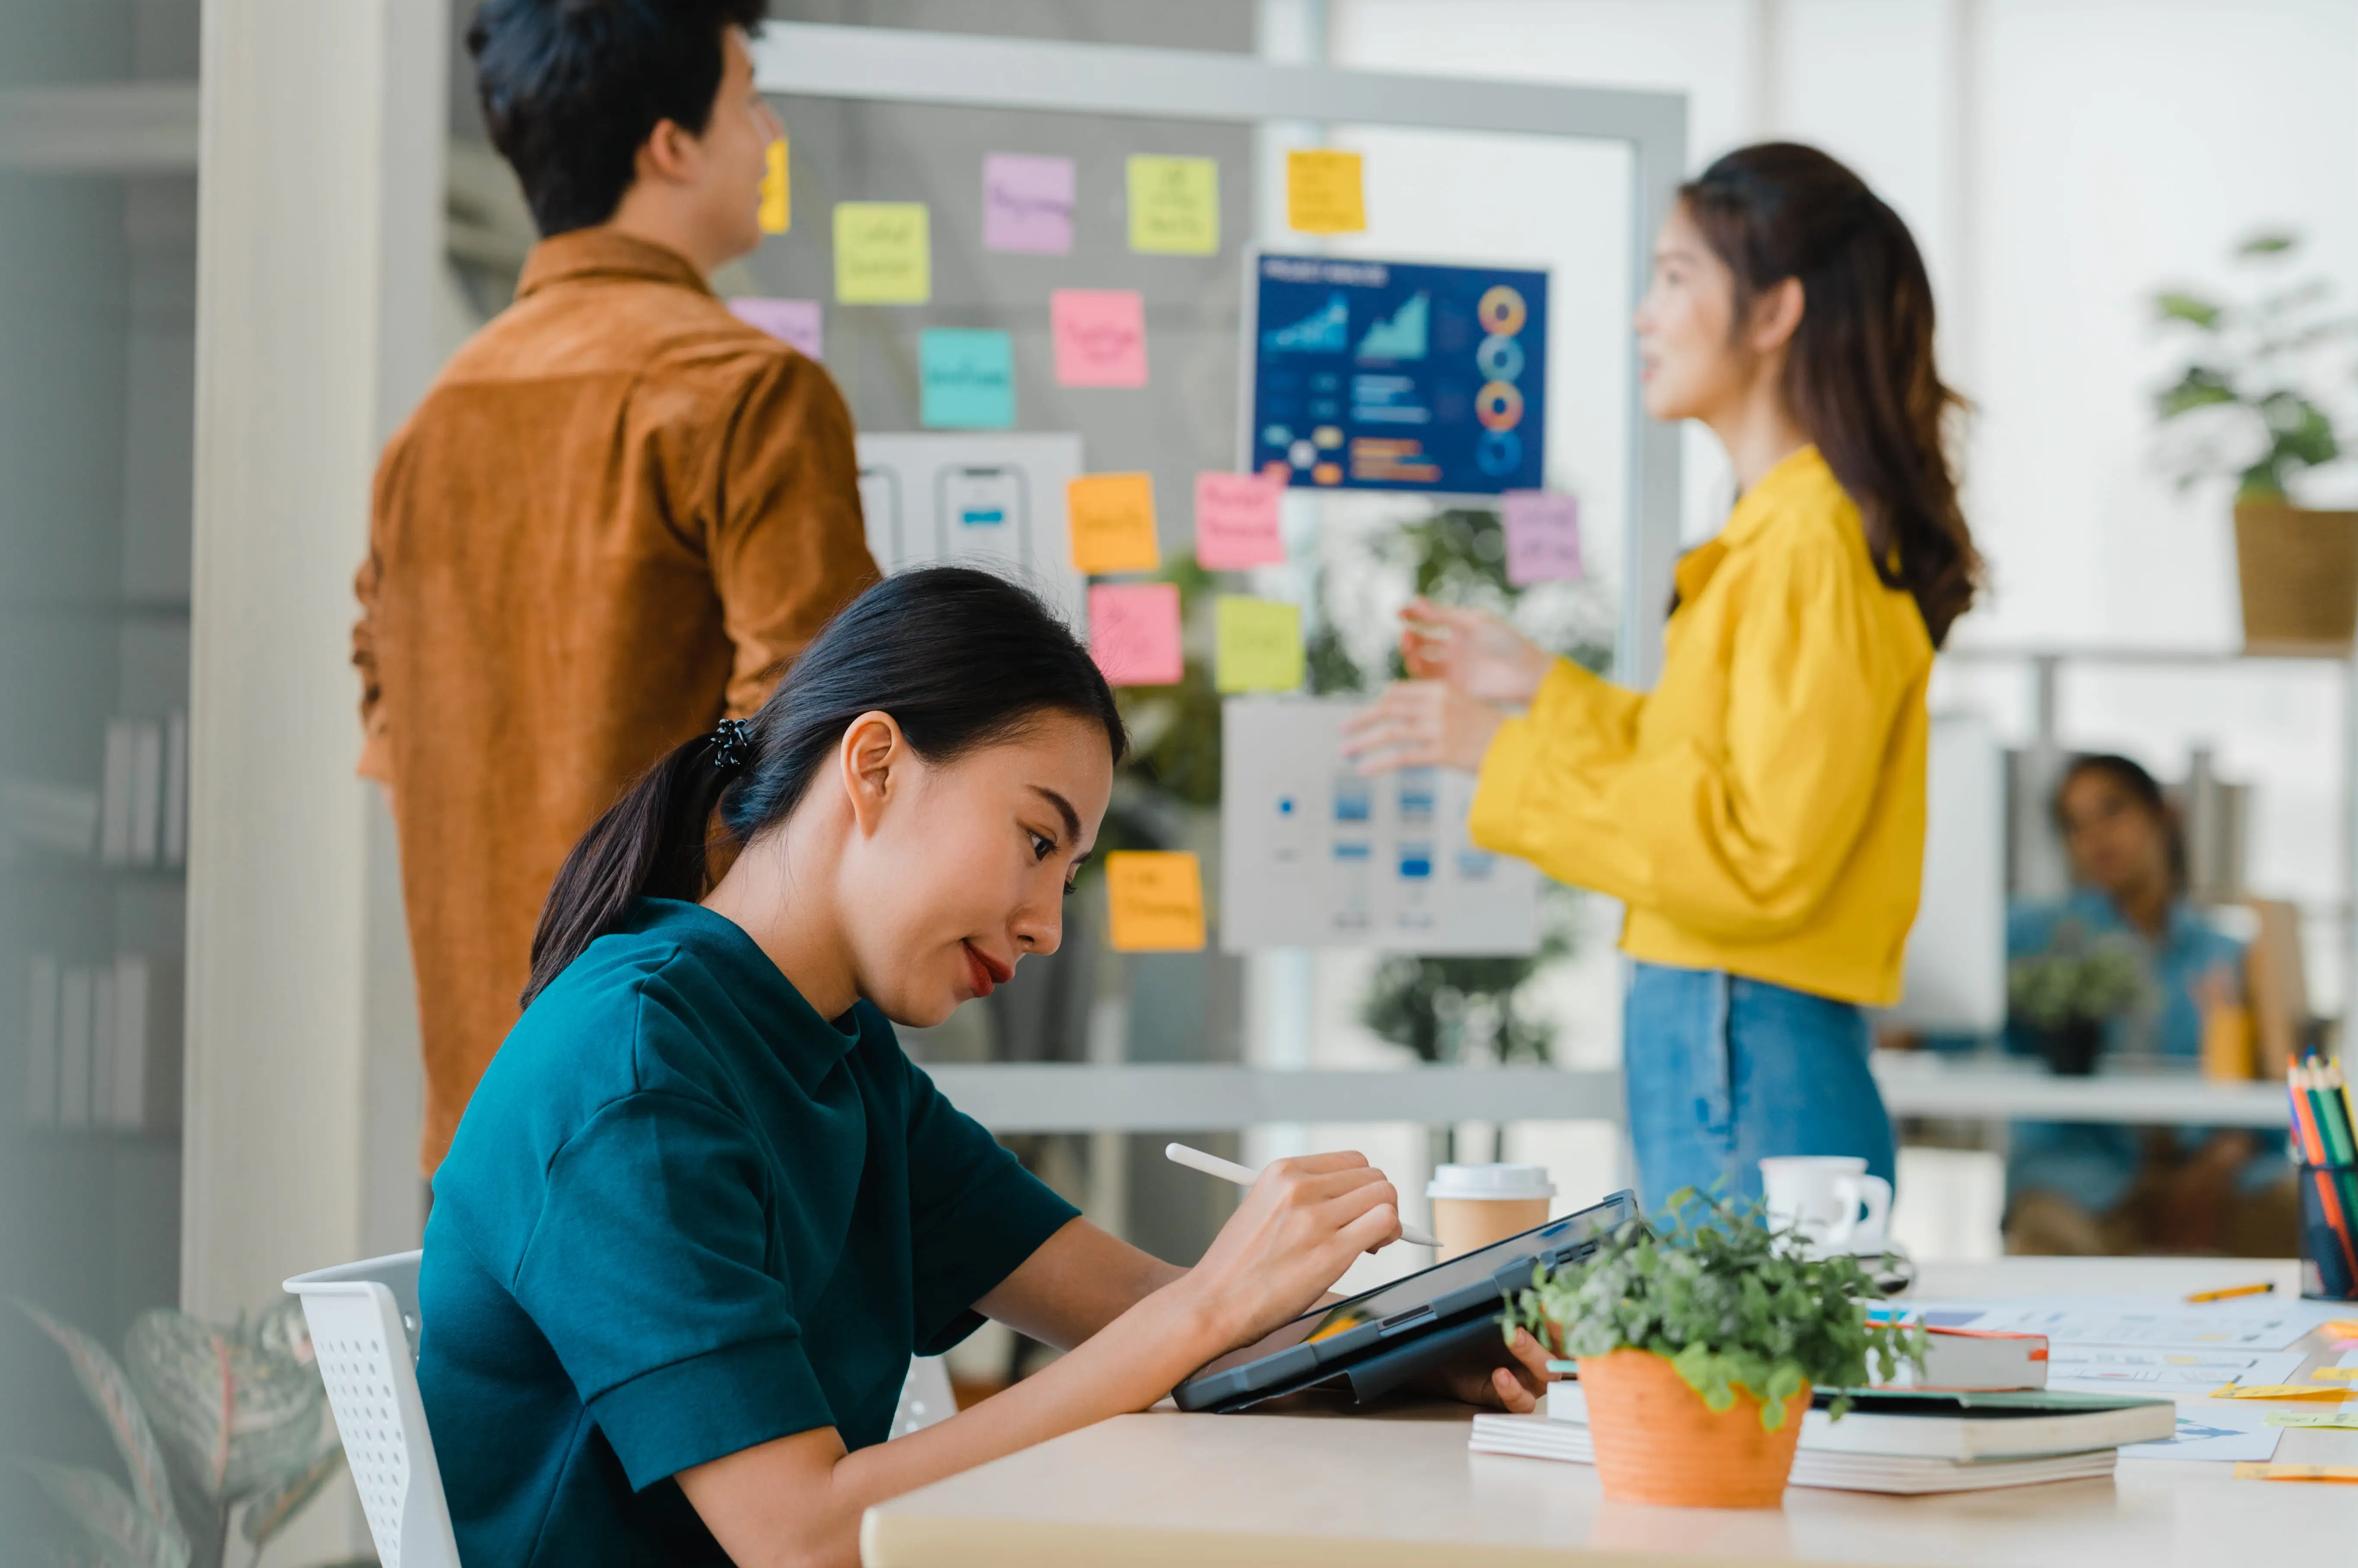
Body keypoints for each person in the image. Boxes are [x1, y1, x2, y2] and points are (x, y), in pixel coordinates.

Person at [418, 568, 1550, 1568]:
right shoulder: (636, 1074)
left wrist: (1392, 1353)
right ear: (875, 766)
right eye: (1038, 841)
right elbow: (803, 1537)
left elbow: (1131, 1308)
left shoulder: (832, 1047)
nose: (1051, 922)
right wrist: (1210, 1305)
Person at [1344, 142, 1980, 1219]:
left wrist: (1496, 753)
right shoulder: (1782, 532)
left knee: (1741, 1385)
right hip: (1735, 1031)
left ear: (1776, 312)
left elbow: (1757, 854)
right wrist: (1545, 690)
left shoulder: (1805, 546)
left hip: (1746, 1034)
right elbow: (1711, 777)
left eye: (1677, 276)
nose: (1645, 313)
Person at [352, 0, 877, 1170]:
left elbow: (397, 745)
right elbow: (823, 764)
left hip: (480, 1131)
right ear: (670, 142)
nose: (770, 138)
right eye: (750, 100)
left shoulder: (431, 429)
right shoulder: (748, 394)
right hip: (678, 1100)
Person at [2003, 753, 2295, 1256]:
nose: (2096, 836)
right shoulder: (2039, 938)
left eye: (2111, 811)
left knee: (2312, 1217)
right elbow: (1959, 1020)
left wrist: (2226, 1155)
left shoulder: (2226, 952)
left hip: (2208, 1177)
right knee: (2043, 1240)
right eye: (2075, 825)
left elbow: (2270, 1087)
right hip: (2085, 1177)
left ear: (2164, 812)